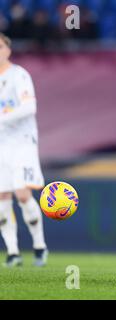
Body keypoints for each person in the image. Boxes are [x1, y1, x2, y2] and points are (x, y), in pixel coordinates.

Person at [0, 33, 48, 267]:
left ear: (8, 49)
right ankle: (12, 252)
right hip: (1, 145)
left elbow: (29, 107)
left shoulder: (19, 75)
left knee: (22, 193)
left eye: (0, 46)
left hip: (22, 142)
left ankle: (39, 246)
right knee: (2, 198)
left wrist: (2, 116)